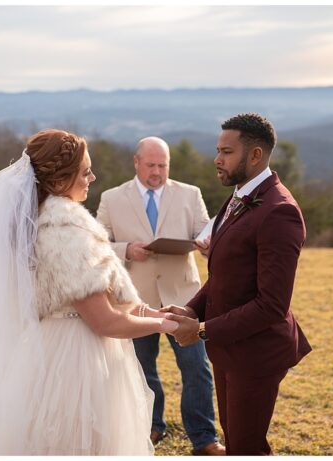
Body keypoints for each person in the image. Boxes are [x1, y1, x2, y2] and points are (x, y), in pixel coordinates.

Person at [0, 129, 181, 455]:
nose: (92, 177)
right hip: (76, 360)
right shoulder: (65, 232)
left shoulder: (33, 223)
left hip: (46, 349)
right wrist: (163, 326)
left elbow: (114, 298)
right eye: (85, 172)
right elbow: (105, 321)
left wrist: (155, 312)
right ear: (59, 180)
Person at [165, 113, 311, 455]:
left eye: (226, 152)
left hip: (257, 353)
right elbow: (224, 275)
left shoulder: (279, 211)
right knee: (236, 443)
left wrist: (200, 330)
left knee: (246, 448)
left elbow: (271, 305)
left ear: (255, 155)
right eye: (218, 150)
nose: (217, 159)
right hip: (227, 347)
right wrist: (191, 308)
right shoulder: (237, 196)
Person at [95, 137, 224, 455]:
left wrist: (209, 243)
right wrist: (126, 249)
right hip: (135, 299)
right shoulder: (112, 198)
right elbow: (96, 243)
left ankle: (204, 437)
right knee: (141, 367)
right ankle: (150, 427)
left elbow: (204, 231)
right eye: (151, 165)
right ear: (136, 162)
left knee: (196, 368)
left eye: (163, 165)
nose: (157, 171)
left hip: (185, 299)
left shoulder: (190, 194)